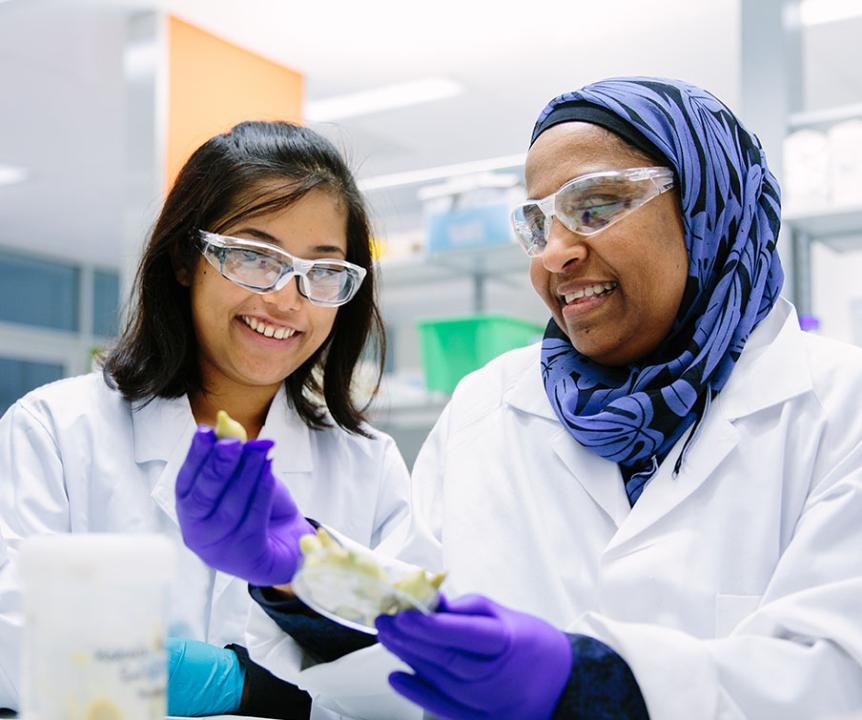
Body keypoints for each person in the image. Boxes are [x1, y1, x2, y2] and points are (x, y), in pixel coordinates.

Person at [177, 78, 862, 719]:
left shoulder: (840, 410)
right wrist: (307, 578)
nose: (553, 255)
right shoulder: (491, 404)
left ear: (711, 208)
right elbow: (417, 636)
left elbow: (834, 673)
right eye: (538, 224)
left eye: (595, 207)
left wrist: (590, 683)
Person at [0, 120, 411, 718]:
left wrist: (257, 685)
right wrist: (238, 686)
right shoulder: (58, 431)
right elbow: (12, 645)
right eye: (253, 256)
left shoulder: (367, 464)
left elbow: (399, 678)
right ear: (185, 260)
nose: (286, 300)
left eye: (322, 270)